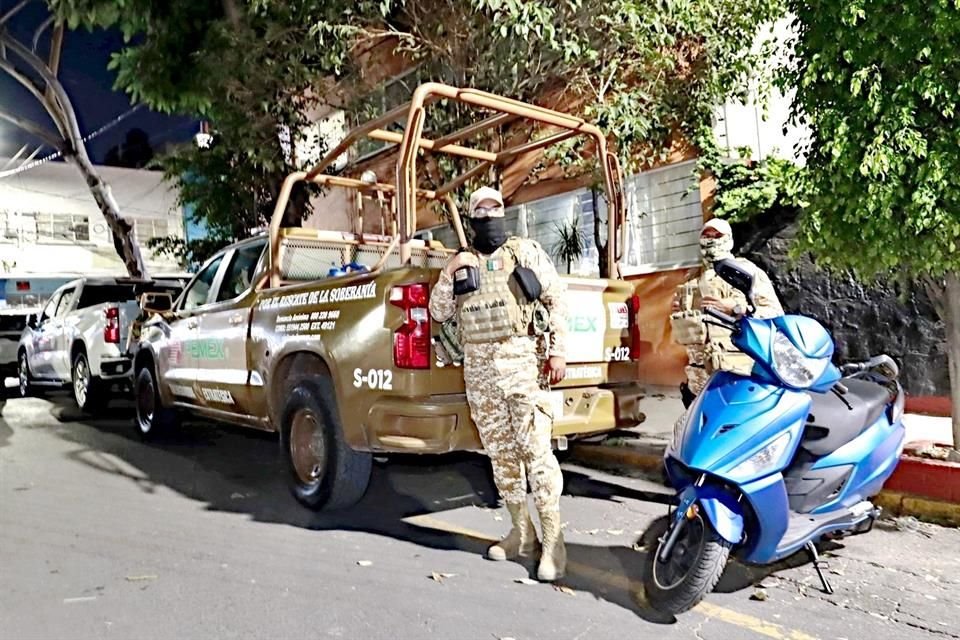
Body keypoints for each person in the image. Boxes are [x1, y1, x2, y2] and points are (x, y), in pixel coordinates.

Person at [429, 186, 569, 582]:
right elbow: (438, 311)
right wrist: (450, 274)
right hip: (479, 370)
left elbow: (555, 301)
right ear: (472, 218)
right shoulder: (462, 261)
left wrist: (557, 353)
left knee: (536, 452)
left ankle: (553, 541)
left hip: (522, 364)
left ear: (503, 214)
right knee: (501, 456)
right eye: (481, 210)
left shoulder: (524, 252)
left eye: (496, 209)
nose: (489, 216)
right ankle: (520, 534)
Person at [671, 218, 784, 406]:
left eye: (717, 235)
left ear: (728, 239)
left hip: (735, 371)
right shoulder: (692, 276)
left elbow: (774, 313)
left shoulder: (745, 271)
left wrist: (736, 309)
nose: (711, 239)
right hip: (698, 375)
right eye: (707, 235)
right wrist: (679, 311)